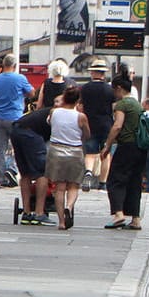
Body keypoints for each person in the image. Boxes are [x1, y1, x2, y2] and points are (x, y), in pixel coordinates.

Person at [100, 78, 147, 230]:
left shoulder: (122, 104)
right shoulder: (137, 105)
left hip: (126, 146)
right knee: (134, 182)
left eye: (114, 90)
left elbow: (117, 125)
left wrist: (107, 145)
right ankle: (135, 219)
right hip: (140, 147)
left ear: (119, 88)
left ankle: (118, 214)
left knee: (115, 180)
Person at [0, 53, 32, 187]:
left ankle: (1, 177)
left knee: (0, 148)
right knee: (15, 146)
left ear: (3, 65)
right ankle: (12, 170)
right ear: (15, 65)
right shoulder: (20, 78)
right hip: (15, 117)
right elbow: (32, 93)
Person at [46, 86, 88, 230]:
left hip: (56, 149)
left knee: (59, 188)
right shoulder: (81, 116)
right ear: (78, 100)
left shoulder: (54, 112)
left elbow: (50, 124)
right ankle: (69, 207)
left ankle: (61, 222)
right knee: (73, 186)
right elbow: (87, 134)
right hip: (75, 151)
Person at [10, 94, 53, 227]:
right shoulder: (60, 113)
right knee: (42, 173)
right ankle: (39, 213)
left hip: (17, 129)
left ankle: (27, 212)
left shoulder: (50, 110)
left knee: (26, 174)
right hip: (31, 134)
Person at [80, 59, 115, 185]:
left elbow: (81, 108)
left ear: (92, 73)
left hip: (89, 124)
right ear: (103, 74)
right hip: (106, 124)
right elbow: (114, 108)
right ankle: (102, 183)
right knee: (105, 153)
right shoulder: (110, 90)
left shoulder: (85, 89)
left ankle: (88, 171)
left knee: (90, 152)